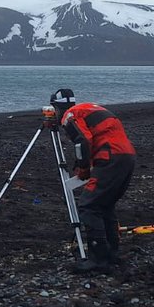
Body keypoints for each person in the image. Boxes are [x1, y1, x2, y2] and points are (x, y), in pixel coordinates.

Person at [50, 88, 136, 274]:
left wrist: (83, 168)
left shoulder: (69, 115)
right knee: (105, 206)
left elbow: (82, 141)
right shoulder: (88, 108)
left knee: (89, 207)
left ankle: (98, 259)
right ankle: (111, 253)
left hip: (110, 157)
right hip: (126, 156)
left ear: (57, 108)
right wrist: (85, 162)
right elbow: (95, 137)